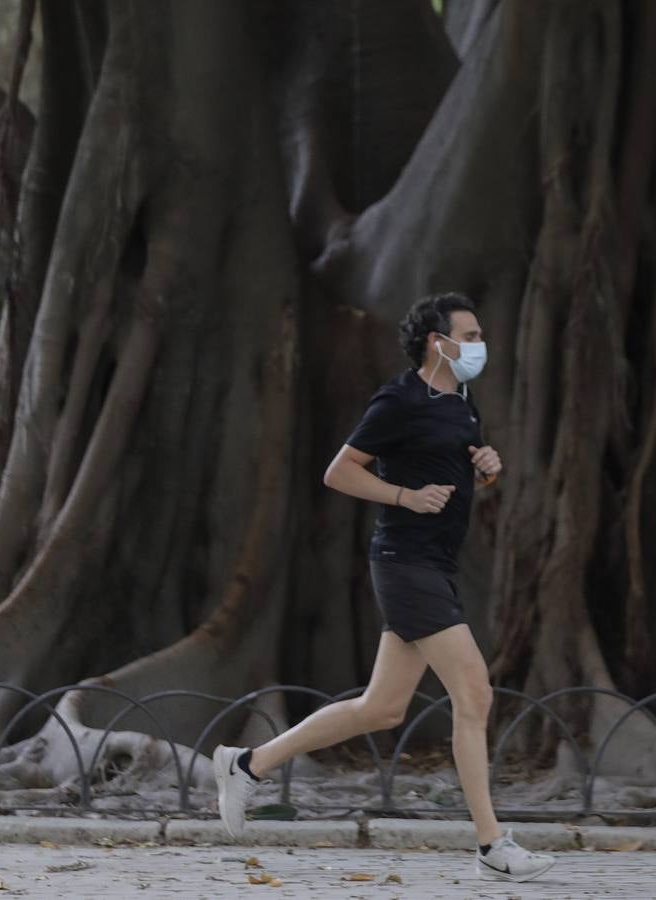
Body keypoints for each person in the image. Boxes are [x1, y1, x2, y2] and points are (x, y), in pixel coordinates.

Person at [212, 293, 554, 884]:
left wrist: (487, 469)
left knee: (382, 708)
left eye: (478, 337)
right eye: (468, 336)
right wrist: (404, 497)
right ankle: (492, 844)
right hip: (404, 562)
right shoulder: (398, 399)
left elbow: (456, 468)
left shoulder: (463, 402)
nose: (478, 346)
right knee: (474, 695)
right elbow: (339, 470)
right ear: (436, 342)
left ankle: (247, 764)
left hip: (434, 564)